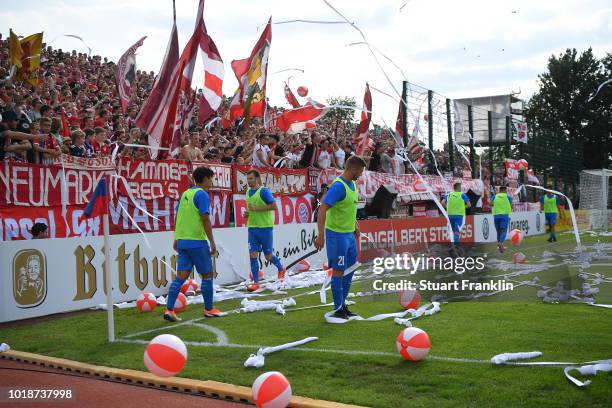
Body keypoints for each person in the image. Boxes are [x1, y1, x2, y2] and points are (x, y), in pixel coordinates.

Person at [164, 166, 221, 322]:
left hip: (183, 241)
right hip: (197, 241)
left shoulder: (185, 194)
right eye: (211, 178)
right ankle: (209, 309)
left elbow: (178, 216)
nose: (212, 181)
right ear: (204, 179)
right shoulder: (202, 194)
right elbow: (205, 218)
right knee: (207, 275)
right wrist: (212, 241)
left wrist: (176, 238)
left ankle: (169, 310)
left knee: (181, 276)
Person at [314, 155, 367, 323]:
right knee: (338, 270)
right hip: (336, 235)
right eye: (360, 170)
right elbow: (322, 209)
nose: (361, 173)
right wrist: (321, 235)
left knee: (351, 269)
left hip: (349, 234)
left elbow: (348, 207)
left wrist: (355, 224)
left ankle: (343, 305)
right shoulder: (338, 186)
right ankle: (337, 308)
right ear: (352, 168)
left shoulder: (352, 183)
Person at [245, 170, 286, 292]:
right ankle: (256, 282)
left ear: (257, 179)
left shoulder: (264, 191)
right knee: (253, 254)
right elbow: (251, 209)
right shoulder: (247, 192)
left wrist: (256, 209)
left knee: (268, 256)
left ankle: (280, 268)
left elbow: (274, 206)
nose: (249, 181)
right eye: (248, 179)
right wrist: (248, 213)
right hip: (252, 228)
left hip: (265, 228)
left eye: (251, 178)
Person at [492, 185, 513, 253]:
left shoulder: (495, 196)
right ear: (504, 190)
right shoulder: (508, 197)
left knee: (498, 231)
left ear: (499, 190)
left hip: (496, 216)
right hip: (504, 216)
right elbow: (511, 205)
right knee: (503, 230)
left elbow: (490, 204)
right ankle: (500, 243)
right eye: (506, 191)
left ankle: (499, 247)